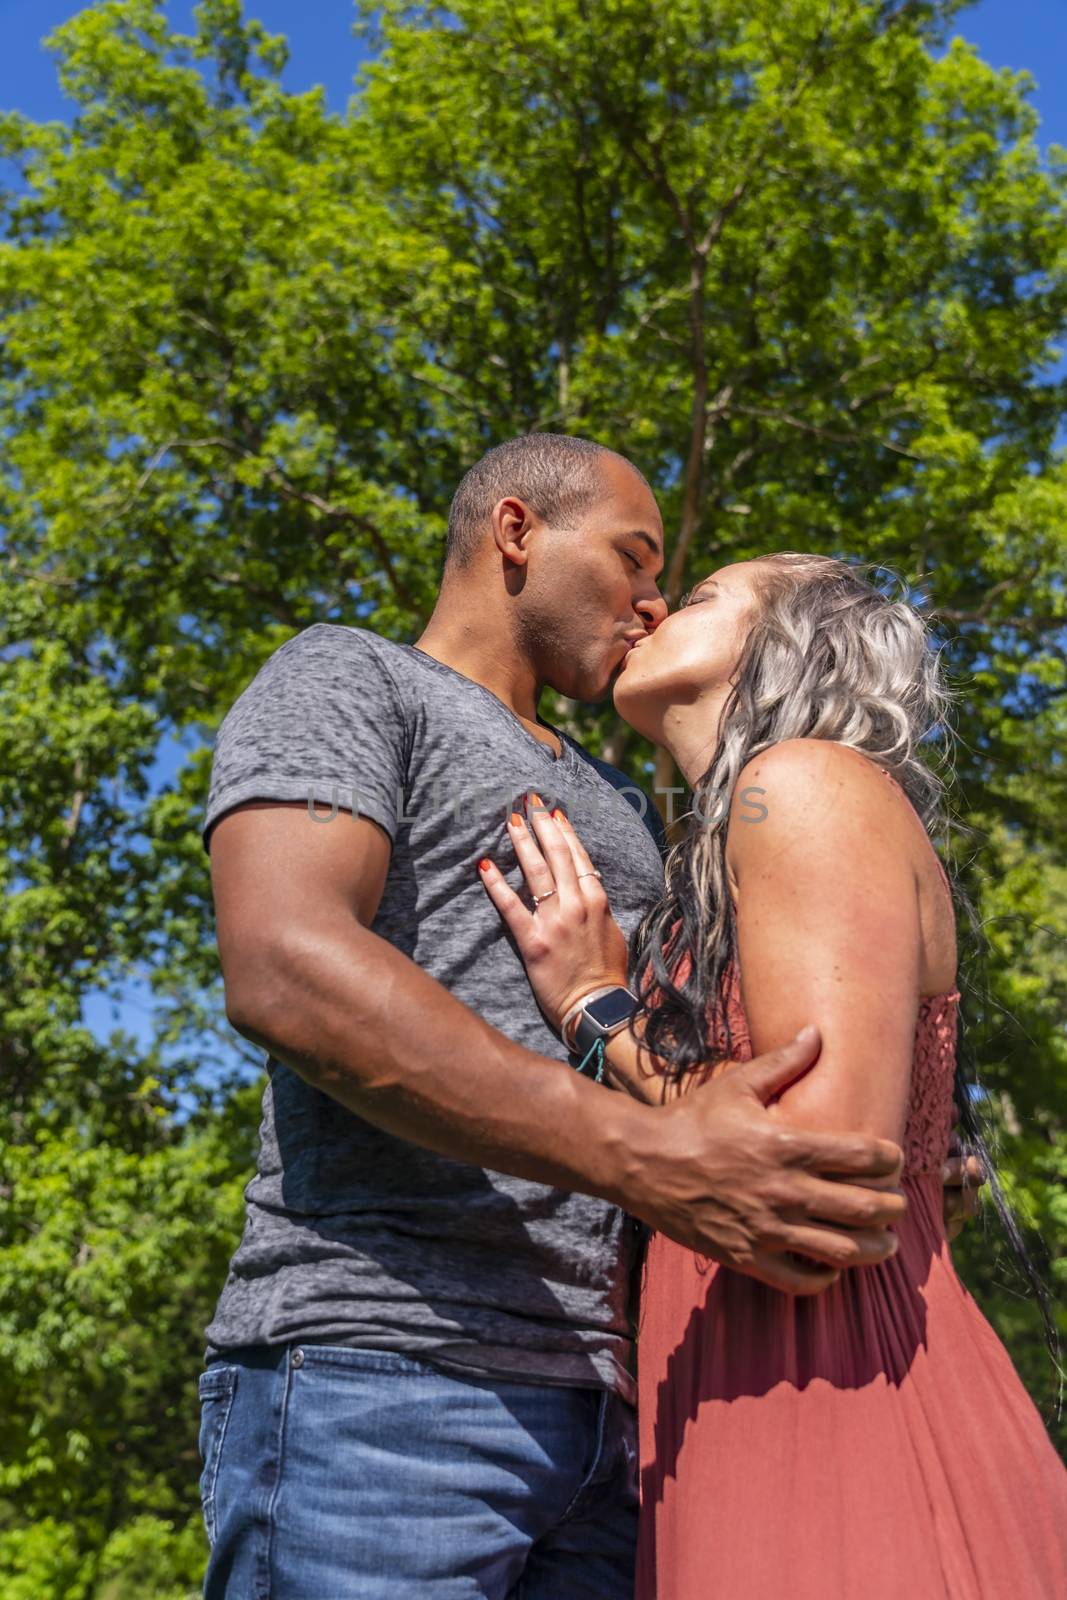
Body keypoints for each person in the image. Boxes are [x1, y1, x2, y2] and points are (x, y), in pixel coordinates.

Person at [198, 435, 974, 1599]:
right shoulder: (349, 678)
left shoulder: (631, 811)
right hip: (383, 1369)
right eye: (633, 556)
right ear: (516, 533)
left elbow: (710, 1085)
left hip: (622, 1424)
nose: (652, 598)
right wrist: (645, 1151)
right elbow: (286, 965)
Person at [480, 550, 1067, 1599]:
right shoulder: (732, 837)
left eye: (696, 595)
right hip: (733, 1397)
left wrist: (594, 1009)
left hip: (842, 1398)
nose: (650, 606)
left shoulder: (796, 782)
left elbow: (811, 1169)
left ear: (783, 646)